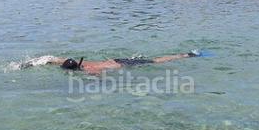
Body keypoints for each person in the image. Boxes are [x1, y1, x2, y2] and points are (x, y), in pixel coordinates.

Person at [33, 52, 201, 75]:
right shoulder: (84, 64)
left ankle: (186, 55)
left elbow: (101, 78)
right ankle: (187, 54)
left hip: (124, 65)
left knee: (156, 61)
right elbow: (52, 59)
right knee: (153, 60)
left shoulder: (89, 69)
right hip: (116, 60)